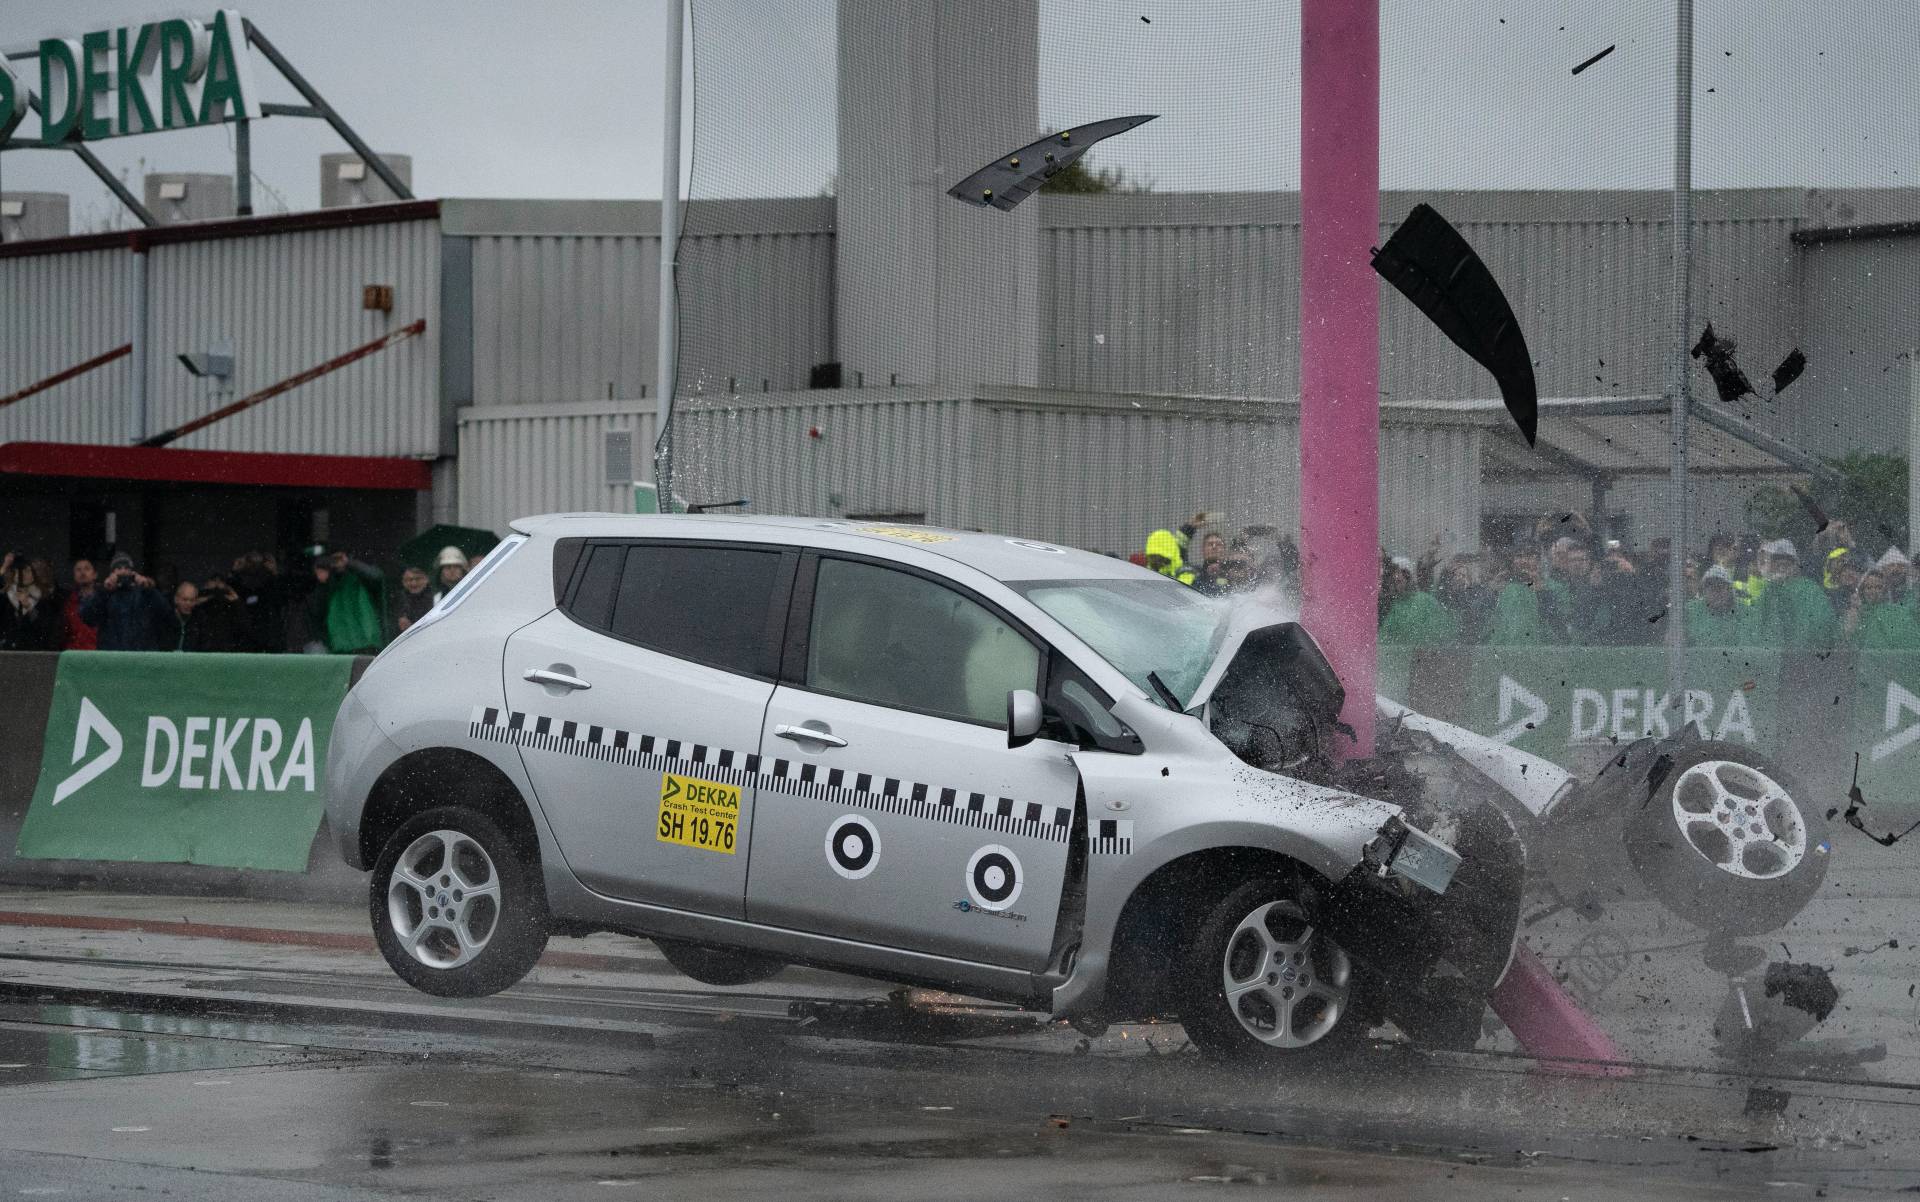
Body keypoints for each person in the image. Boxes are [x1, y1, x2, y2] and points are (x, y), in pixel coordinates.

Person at [1752, 539, 1837, 649]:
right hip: (1774, 656)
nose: (1781, 563)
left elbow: (1823, 625)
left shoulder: (1809, 589)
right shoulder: (1768, 591)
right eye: (1776, 558)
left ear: (1796, 563)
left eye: (1787, 558)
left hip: (1805, 657)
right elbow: (1756, 626)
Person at [80, 553, 175, 651]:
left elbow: (165, 612)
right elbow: (87, 617)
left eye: (126, 568)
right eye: (118, 568)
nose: (123, 571)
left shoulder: (143, 593)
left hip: (140, 655)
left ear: (132, 571)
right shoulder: (105, 594)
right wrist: (105, 590)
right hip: (112, 656)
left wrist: (148, 589)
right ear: (112, 572)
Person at [306, 549, 386, 655]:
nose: (338, 562)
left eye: (340, 558)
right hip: (340, 645)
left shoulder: (360, 578)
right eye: (334, 559)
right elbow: (318, 612)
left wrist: (350, 564)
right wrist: (325, 581)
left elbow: (376, 577)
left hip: (367, 641)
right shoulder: (329, 585)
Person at [1379, 555, 1459, 646]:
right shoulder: (1394, 605)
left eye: (1399, 581)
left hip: (1427, 653)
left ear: (1407, 577)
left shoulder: (1424, 600)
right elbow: (1384, 639)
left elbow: (1444, 630)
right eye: (1393, 582)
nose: (1396, 585)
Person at [1486, 549, 1562, 645]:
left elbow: (1557, 623)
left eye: (1529, 557)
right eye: (1519, 556)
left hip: (1539, 650)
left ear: (1538, 562)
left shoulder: (1553, 586)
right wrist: (1491, 592)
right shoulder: (1503, 586)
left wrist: (1541, 592)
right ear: (1512, 561)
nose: (1524, 561)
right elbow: (1483, 619)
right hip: (1504, 648)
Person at [0, 553, 62, 651]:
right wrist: (4, 567)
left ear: (34, 575)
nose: (23, 574)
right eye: (18, 571)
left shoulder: (44, 597)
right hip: (9, 649)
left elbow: (46, 626)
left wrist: (28, 606)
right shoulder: (6, 595)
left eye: (27, 571)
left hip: (34, 650)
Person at [1847, 568, 1920, 650]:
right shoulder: (1857, 613)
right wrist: (1855, 610)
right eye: (1869, 587)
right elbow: (1848, 638)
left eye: (1878, 587)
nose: (1873, 591)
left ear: (1885, 590)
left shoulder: (1896, 611)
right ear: (1862, 590)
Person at [1686, 565, 1752, 646]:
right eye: (1710, 586)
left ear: (1729, 590)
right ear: (1704, 591)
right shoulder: (1691, 610)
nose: (1716, 591)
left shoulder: (1746, 613)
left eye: (1720, 586)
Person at [62, 558, 99, 649]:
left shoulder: (104, 601)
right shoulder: (69, 603)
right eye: (78, 570)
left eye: (87, 569)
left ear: (95, 574)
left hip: (99, 653)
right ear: (74, 575)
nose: (82, 573)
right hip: (76, 654)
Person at [393, 564, 436, 631]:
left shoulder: (436, 597)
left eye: (418, 579)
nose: (414, 583)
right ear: (403, 582)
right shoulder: (398, 601)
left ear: (426, 579)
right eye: (409, 580)